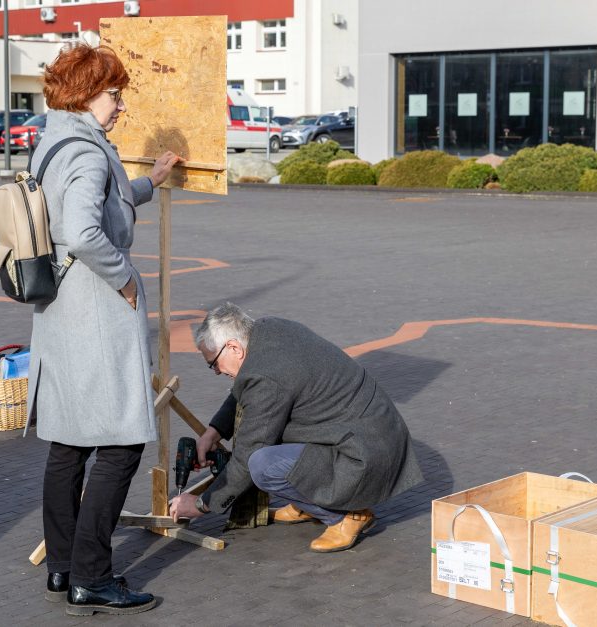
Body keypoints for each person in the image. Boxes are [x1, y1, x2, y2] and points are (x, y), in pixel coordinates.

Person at [26, 44, 181, 616]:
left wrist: (148, 181)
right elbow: (86, 230)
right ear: (86, 93)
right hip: (93, 310)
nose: (120, 106)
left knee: (69, 443)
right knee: (120, 443)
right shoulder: (88, 152)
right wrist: (125, 280)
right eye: (114, 94)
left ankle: (64, 568)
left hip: (59, 312)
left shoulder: (54, 140)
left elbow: (98, 201)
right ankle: (93, 575)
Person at [169, 303, 424, 553]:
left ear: (234, 347)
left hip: (362, 456)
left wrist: (202, 504)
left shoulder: (266, 376)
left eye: (213, 363)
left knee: (262, 464)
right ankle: (307, 502)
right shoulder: (267, 330)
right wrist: (213, 432)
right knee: (270, 428)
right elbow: (249, 387)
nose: (215, 371)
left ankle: (344, 517)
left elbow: (246, 457)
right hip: (372, 434)